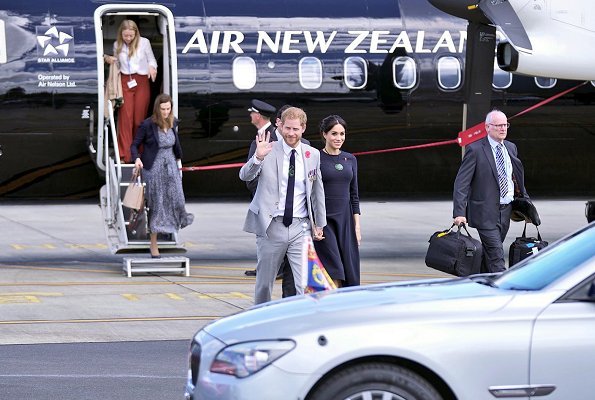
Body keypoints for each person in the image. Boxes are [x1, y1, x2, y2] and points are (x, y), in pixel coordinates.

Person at [239, 107, 326, 304]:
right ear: (279, 125)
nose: (291, 133)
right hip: (271, 226)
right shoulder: (266, 148)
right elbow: (245, 176)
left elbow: (316, 191)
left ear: (303, 128)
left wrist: (319, 223)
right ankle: (262, 320)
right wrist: (258, 158)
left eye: (295, 129)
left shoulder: (312, 154)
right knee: (264, 283)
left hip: (300, 227)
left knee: (305, 283)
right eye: (287, 128)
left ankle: (304, 322)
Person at [453, 109, 529, 272]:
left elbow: (515, 178)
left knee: (490, 253)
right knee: (496, 255)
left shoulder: (511, 147)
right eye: (498, 125)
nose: (503, 128)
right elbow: (461, 183)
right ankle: (500, 288)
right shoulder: (475, 149)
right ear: (487, 127)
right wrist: (459, 212)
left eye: (505, 125)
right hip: (485, 212)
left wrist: (527, 204)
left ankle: (478, 283)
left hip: (505, 211)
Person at [131, 94, 194, 258]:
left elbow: (176, 144)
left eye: (168, 109)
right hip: (154, 168)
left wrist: (179, 160)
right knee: (157, 205)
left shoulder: (173, 122)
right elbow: (135, 145)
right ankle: (154, 245)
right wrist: (137, 158)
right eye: (163, 109)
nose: (166, 112)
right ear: (157, 108)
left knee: (178, 198)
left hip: (171, 166)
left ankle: (174, 224)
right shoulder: (148, 125)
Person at [314, 115, 361, 287]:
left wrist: (357, 227)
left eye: (342, 134)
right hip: (324, 221)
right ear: (324, 134)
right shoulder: (315, 158)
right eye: (334, 133)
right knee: (334, 267)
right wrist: (314, 224)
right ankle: (334, 304)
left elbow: (354, 195)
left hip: (346, 221)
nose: (339, 138)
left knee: (349, 269)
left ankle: (344, 305)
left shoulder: (350, 159)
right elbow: (310, 193)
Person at [105, 19, 158, 163]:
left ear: (136, 34)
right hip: (125, 81)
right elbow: (116, 61)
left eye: (131, 36)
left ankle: (137, 154)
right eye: (125, 36)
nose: (128, 39)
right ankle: (124, 155)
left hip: (141, 81)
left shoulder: (144, 43)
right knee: (125, 119)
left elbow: (152, 60)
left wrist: (152, 67)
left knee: (138, 120)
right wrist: (106, 58)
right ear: (121, 34)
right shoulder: (117, 44)